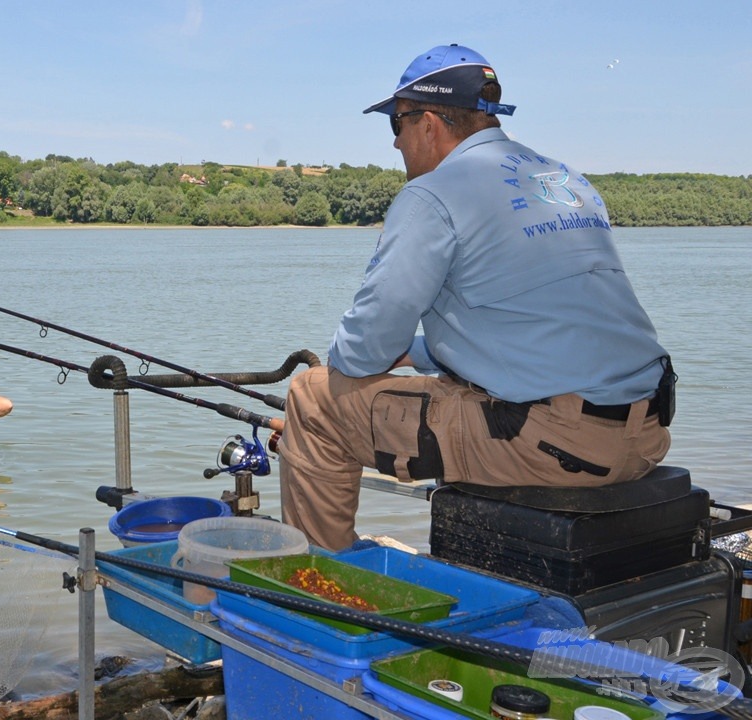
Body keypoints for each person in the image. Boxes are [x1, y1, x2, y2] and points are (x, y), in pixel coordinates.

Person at [278, 44, 674, 550]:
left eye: (396, 125)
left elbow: (361, 352)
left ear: (428, 124)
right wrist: (419, 352)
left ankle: (319, 590)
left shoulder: (433, 195)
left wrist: (365, 360)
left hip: (557, 445)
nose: (396, 144)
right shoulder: (563, 180)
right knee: (451, 393)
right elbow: (537, 319)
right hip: (646, 436)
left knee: (313, 398)